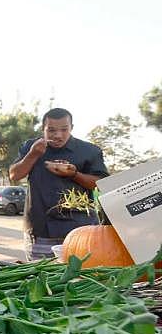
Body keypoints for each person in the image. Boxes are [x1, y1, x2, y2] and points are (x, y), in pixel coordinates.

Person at [8, 108, 108, 258]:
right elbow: (15, 175)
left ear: (71, 128)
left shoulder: (89, 151)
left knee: (79, 276)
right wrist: (33, 154)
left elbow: (100, 183)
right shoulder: (31, 147)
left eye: (64, 130)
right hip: (40, 229)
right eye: (51, 130)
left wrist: (74, 174)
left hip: (80, 230)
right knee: (40, 275)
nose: (58, 135)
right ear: (43, 129)